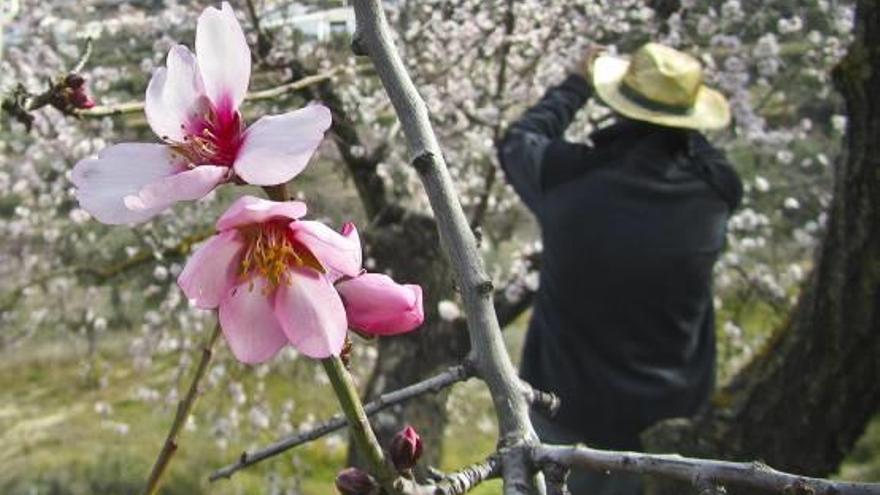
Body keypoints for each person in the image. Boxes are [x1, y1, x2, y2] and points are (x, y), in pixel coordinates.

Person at [497, 43, 743, 495]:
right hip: (674, 418)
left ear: (618, 104)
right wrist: (681, 110)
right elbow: (709, 158)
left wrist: (575, 85)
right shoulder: (714, 194)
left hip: (566, 413)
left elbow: (518, 141)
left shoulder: (566, 179)